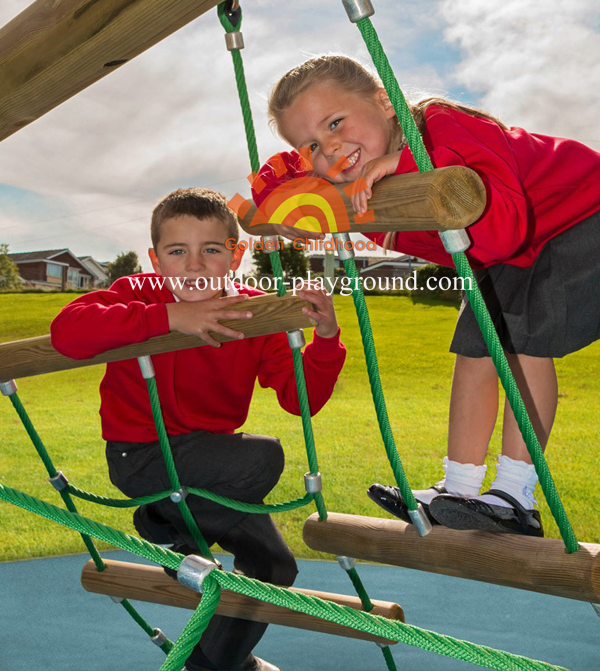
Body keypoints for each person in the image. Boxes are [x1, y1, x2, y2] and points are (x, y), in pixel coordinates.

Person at [250, 54, 600, 538]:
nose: (330, 147)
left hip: (583, 211)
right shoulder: (372, 196)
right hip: (516, 250)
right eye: (312, 144)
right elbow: (280, 186)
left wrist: (412, 162)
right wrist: (277, 201)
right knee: (475, 348)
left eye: (335, 122)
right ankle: (459, 487)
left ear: (384, 102)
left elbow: (500, 230)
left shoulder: (440, 126)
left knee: (521, 342)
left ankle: (516, 497)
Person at [51, 187, 345, 671]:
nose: (193, 265)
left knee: (275, 565)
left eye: (210, 250)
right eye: (177, 251)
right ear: (155, 259)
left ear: (236, 253)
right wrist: (172, 316)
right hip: (143, 458)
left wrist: (326, 341)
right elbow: (67, 332)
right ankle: (163, 518)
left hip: (208, 466)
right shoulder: (139, 294)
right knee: (263, 456)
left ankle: (214, 664)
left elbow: (301, 399)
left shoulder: (255, 312)